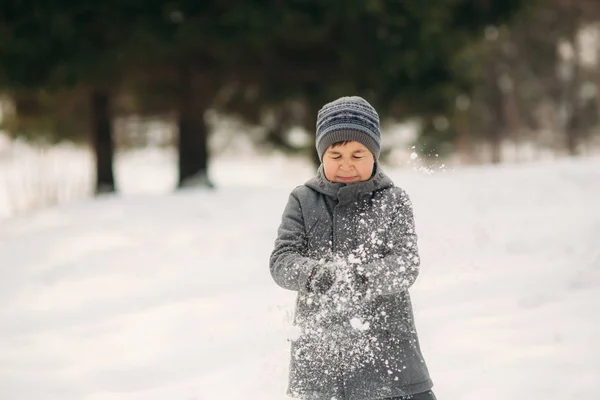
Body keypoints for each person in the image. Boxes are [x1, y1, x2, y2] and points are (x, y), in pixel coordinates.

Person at [270, 96, 436, 400]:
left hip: (390, 363)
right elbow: (282, 261)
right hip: (322, 366)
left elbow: (405, 264)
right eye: (336, 155)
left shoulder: (394, 201)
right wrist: (317, 275)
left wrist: (362, 277)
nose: (346, 165)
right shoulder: (303, 201)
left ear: (374, 155)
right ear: (321, 155)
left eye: (358, 155)